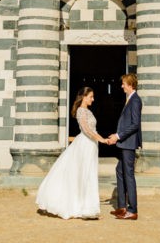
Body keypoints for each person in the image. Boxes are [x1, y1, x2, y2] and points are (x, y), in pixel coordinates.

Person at [35, 86, 109, 220]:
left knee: (88, 173)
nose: (93, 99)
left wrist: (99, 140)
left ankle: (88, 206)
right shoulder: (81, 111)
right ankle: (79, 206)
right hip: (85, 144)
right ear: (84, 97)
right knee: (82, 173)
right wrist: (101, 139)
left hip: (91, 145)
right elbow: (86, 130)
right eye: (91, 96)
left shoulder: (88, 111)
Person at [108, 73, 142, 220]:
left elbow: (135, 124)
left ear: (130, 85)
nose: (122, 86)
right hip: (124, 142)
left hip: (128, 143)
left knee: (128, 175)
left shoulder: (135, 100)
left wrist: (118, 136)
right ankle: (122, 207)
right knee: (119, 170)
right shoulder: (129, 99)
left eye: (124, 84)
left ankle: (132, 210)